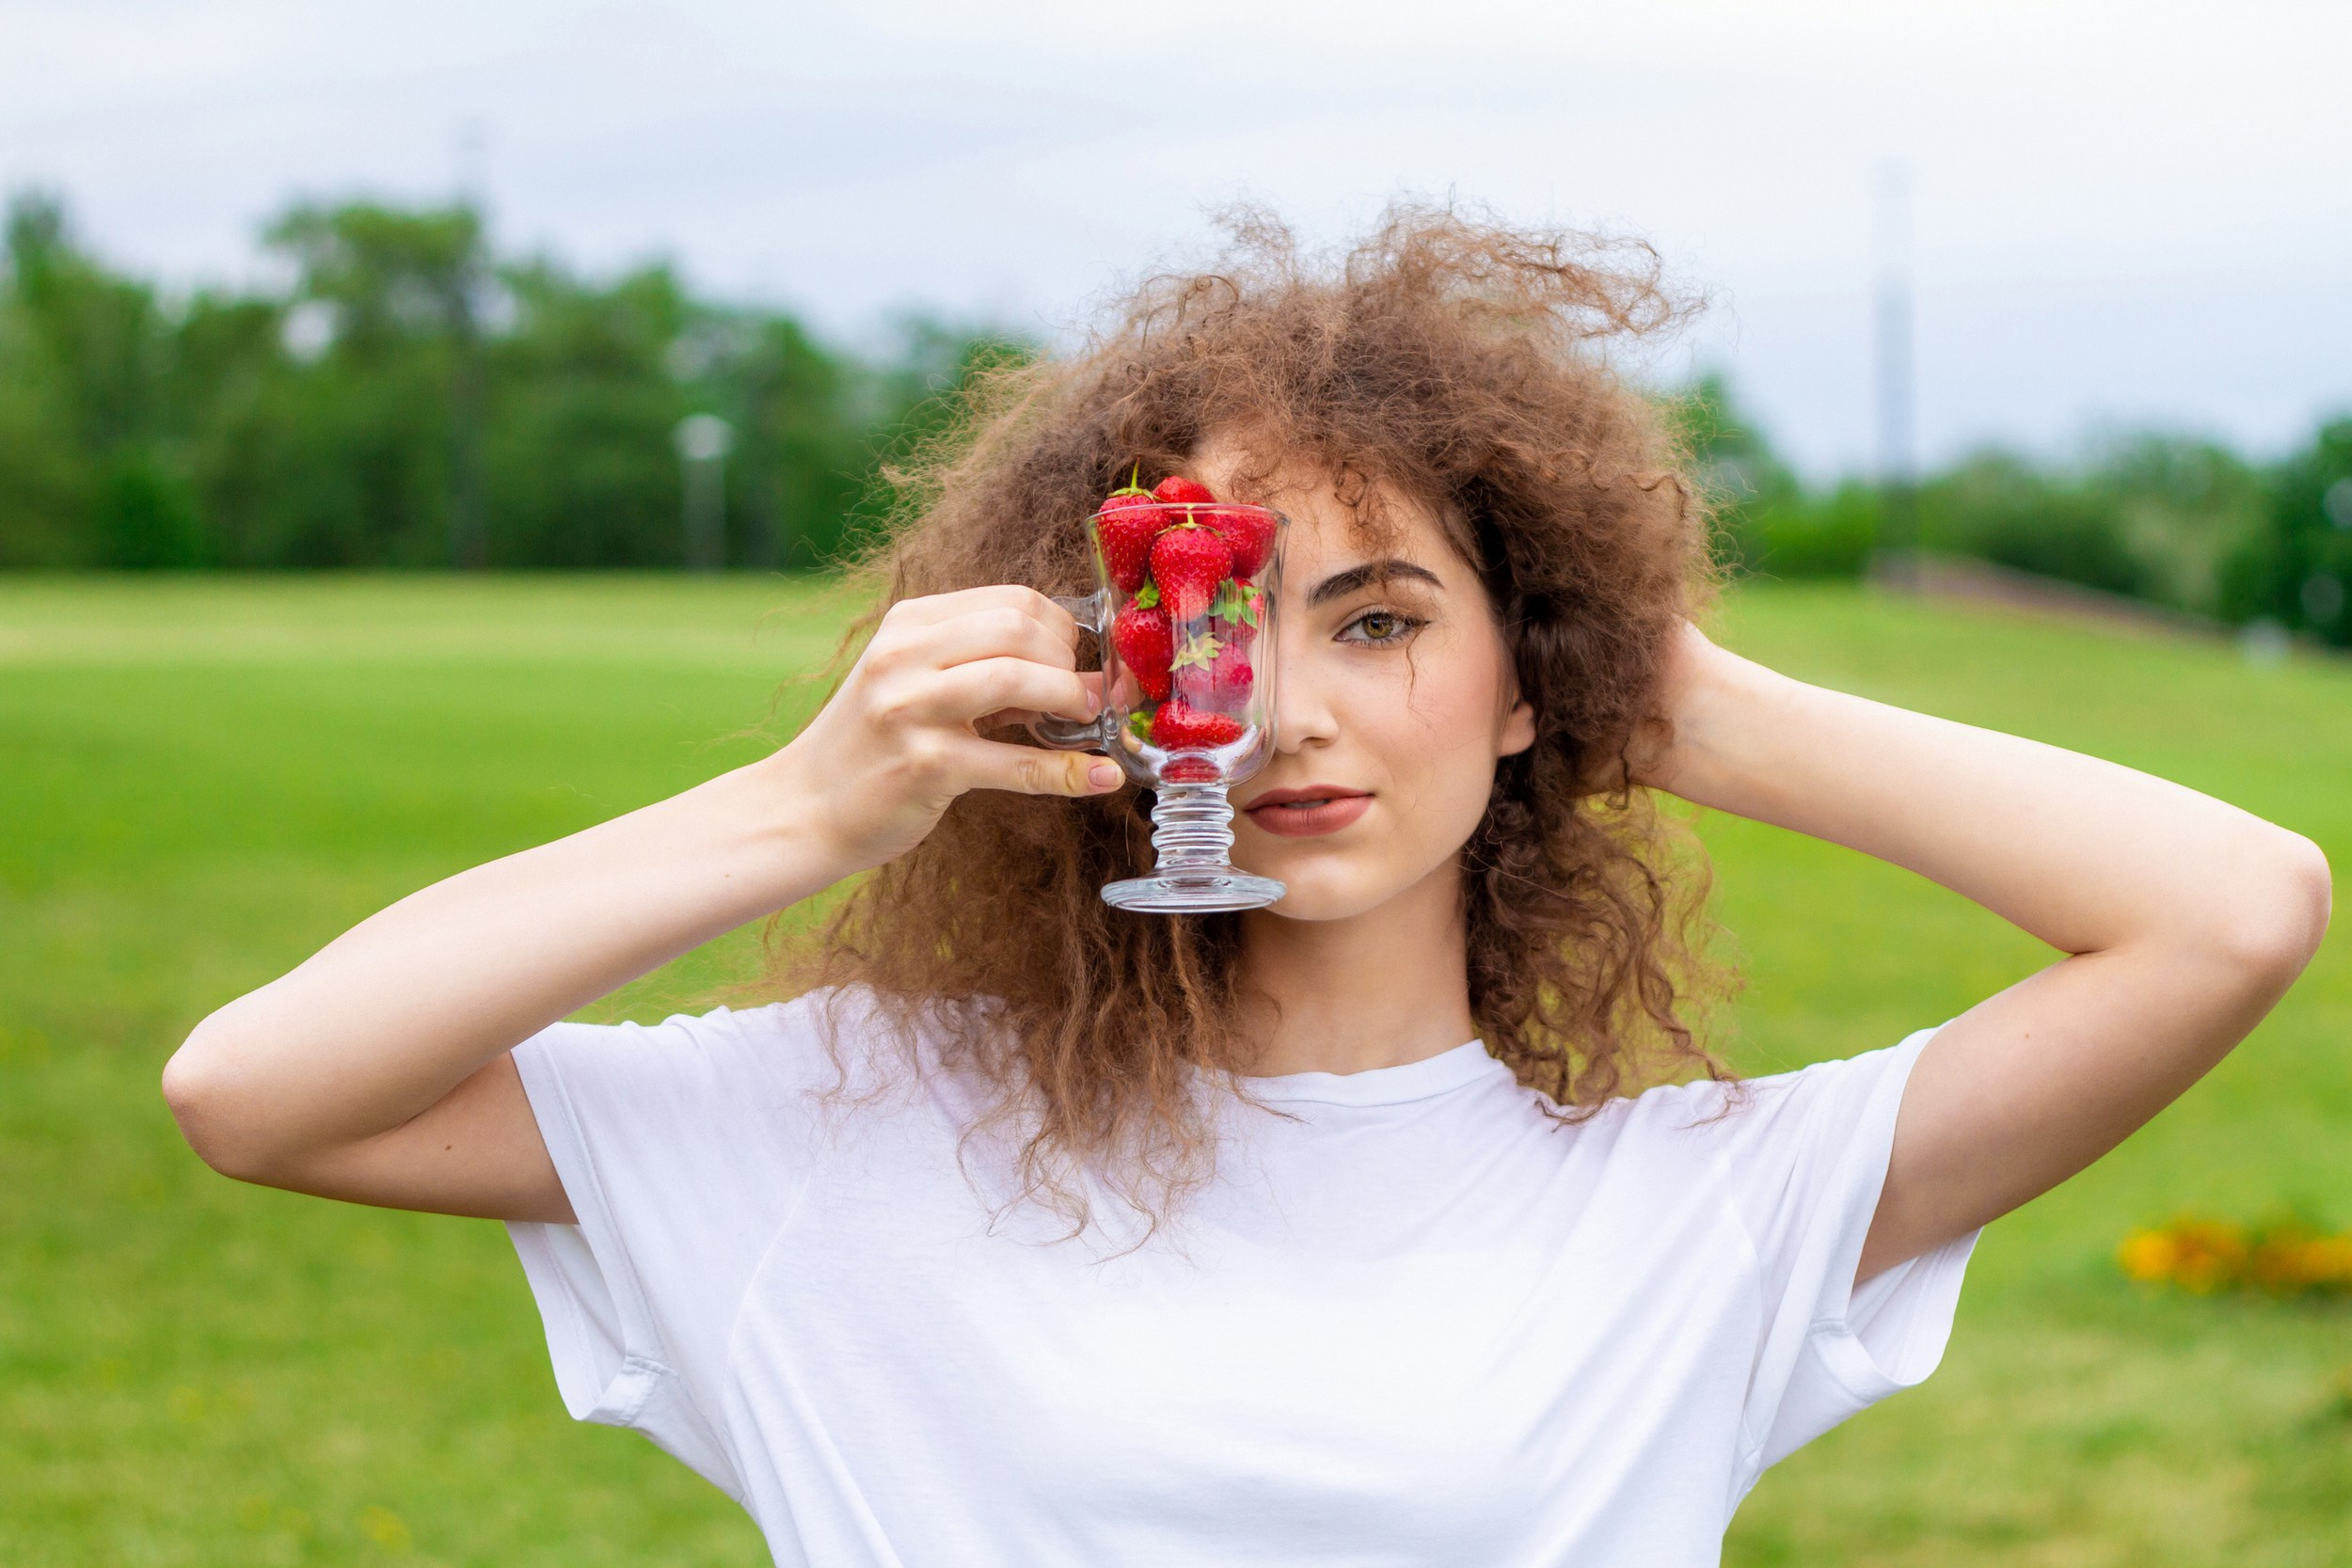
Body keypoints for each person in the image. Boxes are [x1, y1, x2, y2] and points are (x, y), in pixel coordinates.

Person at [160, 209, 2330, 1566]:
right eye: (1206, 617)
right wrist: (813, 807)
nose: (1279, 709)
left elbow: (2228, 907)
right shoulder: (832, 1128)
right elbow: (259, 1094)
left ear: (1518, 679)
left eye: (1378, 620)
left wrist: (1625, 675)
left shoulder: (1704, 1211)